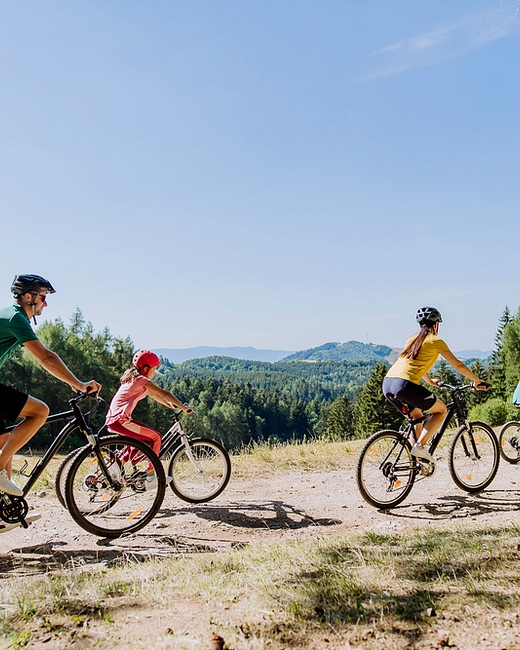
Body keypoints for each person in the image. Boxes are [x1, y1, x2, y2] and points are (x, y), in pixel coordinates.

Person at [0, 275, 102, 525]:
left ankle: (5, 513)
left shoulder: (13, 316)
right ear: (28, 296)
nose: (45, 304)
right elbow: (45, 357)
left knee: (5, 441)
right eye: (43, 298)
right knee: (39, 411)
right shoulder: (16, 318)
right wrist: (78, 384)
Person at [383, 306, 486, 463]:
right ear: (436, 324)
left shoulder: (412, 339)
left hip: (388, 383)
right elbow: (458, 365)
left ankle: (415, 461)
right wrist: (477, 381)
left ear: (420, 325)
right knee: (441, 411)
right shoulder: (436, 341)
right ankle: (419, 447)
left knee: (417, 418)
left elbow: (414, 364)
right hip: (404, 385)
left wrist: (430, 382)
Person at [105, 350, 192, 466]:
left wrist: (168, 404)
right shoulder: (141, 380)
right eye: (154, 369)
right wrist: (184, 407)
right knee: (156, 438)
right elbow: (164, 393)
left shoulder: (133, 378)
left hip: (116, 419)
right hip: (120, 420)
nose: (154, 373)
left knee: (145, 439)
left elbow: (154, 394)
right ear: (146, 369)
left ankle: (119, 464)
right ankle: (151, 474)